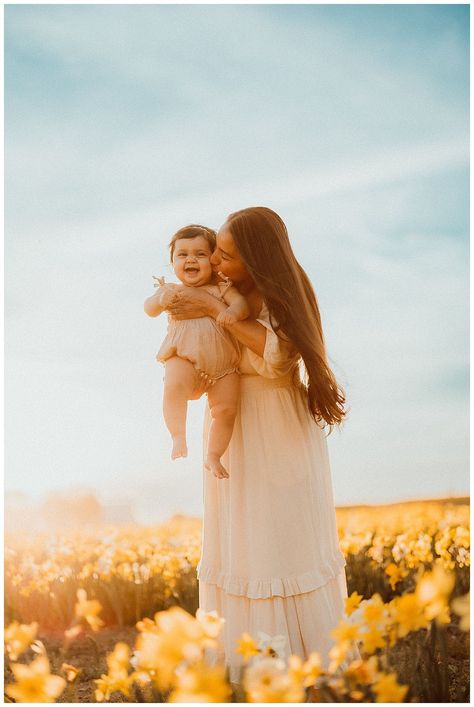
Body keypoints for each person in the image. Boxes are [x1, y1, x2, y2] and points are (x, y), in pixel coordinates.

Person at [165, 207, 361, 690]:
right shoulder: (220, 290)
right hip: (232, 428)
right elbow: (202, 358)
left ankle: (305, 669)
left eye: (227, 254)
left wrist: (215, 312)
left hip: (275, 427)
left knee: (281, 544)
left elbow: (276, 360)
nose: (216, 261)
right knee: (242, 547)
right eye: (216, 252)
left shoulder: (282, 292)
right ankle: (248, 669)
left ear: (256, 256)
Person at [144, 224, 249, 478]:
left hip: (223, 364)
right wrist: (159, 300)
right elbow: (149, 308)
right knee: (173, 387)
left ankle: (213, 455)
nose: (191, 259)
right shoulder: (171, 291)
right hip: (183, 355)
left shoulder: (221, 288)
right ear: (173, 263)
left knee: (226, 410)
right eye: (182, 255)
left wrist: (231, 312)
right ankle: (178, 435)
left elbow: (241, 305)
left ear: (213, 261)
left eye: (200, 254)